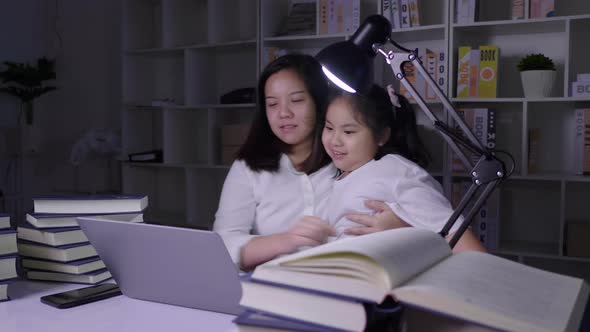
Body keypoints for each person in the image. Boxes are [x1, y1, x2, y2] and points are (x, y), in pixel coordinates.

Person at [212, 54, 407, 271]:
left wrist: (400, 225)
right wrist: (287, 240)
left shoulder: (351, 160)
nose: (284, 113)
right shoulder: (248, 167)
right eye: (272, 104)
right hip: (268, 289)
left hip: (346, 283)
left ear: (318, 101)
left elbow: (416, 220)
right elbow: (222, 245)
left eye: (296, 100)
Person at [320, 84, 486, 252]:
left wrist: (404, 232)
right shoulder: (337, 176)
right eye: (329, 128)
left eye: (348, 132)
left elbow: (461, 240)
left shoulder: (396, 172)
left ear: (382, 135)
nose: (335, 141)